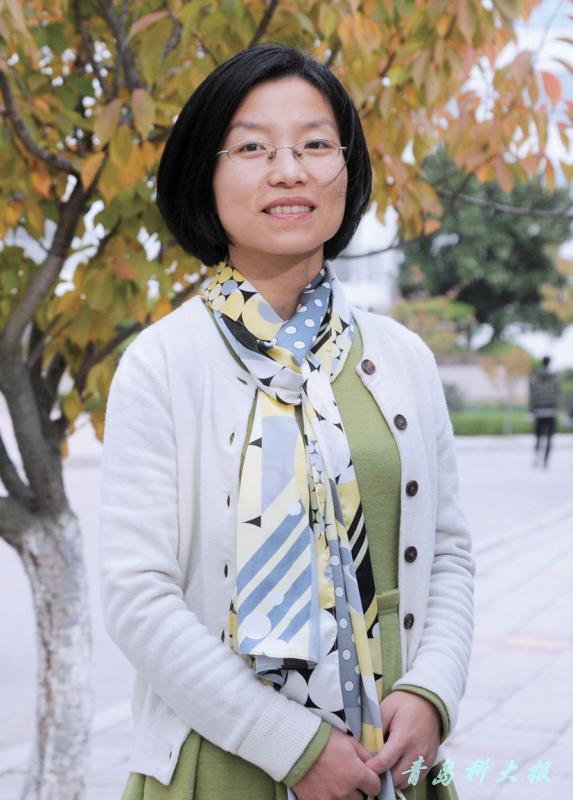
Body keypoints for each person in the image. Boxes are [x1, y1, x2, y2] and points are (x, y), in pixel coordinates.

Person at [99, 44, 475, 800]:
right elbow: (136, 594)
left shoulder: (402, 357)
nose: (289, 171)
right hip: (219, 763)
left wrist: (432, 691)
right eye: (252, 148)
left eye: (314, 145)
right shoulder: (162, 363)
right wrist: (293, 748)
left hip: (389, 759)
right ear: (204, 175)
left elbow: (448, 555)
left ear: (347, 168)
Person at [528, 355, 559, 469]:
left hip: (539, 412)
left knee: (538, 437)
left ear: (542, 363)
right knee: (549, 438)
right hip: (551, 412)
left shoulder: (535, 378)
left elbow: (532, 396)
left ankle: (536, 458)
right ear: (549, 363)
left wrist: (531, 411)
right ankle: (546, 461)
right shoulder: (554, 378)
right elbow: (557, 395)